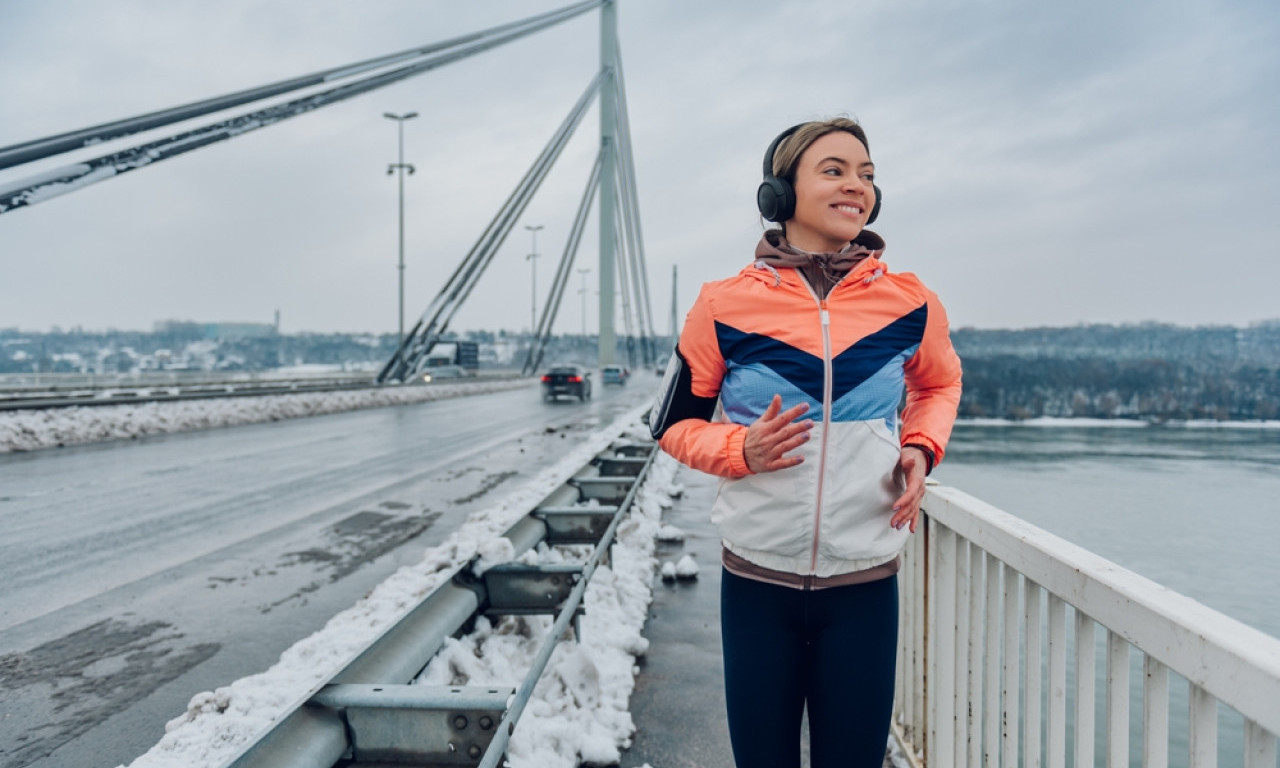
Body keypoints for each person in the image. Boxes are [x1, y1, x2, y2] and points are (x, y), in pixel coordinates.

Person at [650, 117, 963, 768]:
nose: (858, 186)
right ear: (780, 195)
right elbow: (674, 426)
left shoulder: (911, 303)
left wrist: (920, 446)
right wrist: (740, 451)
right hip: (757, 583)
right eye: (836, 170)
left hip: (864, 585)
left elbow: (939, 386)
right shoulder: (722, 305)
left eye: (868, 175)